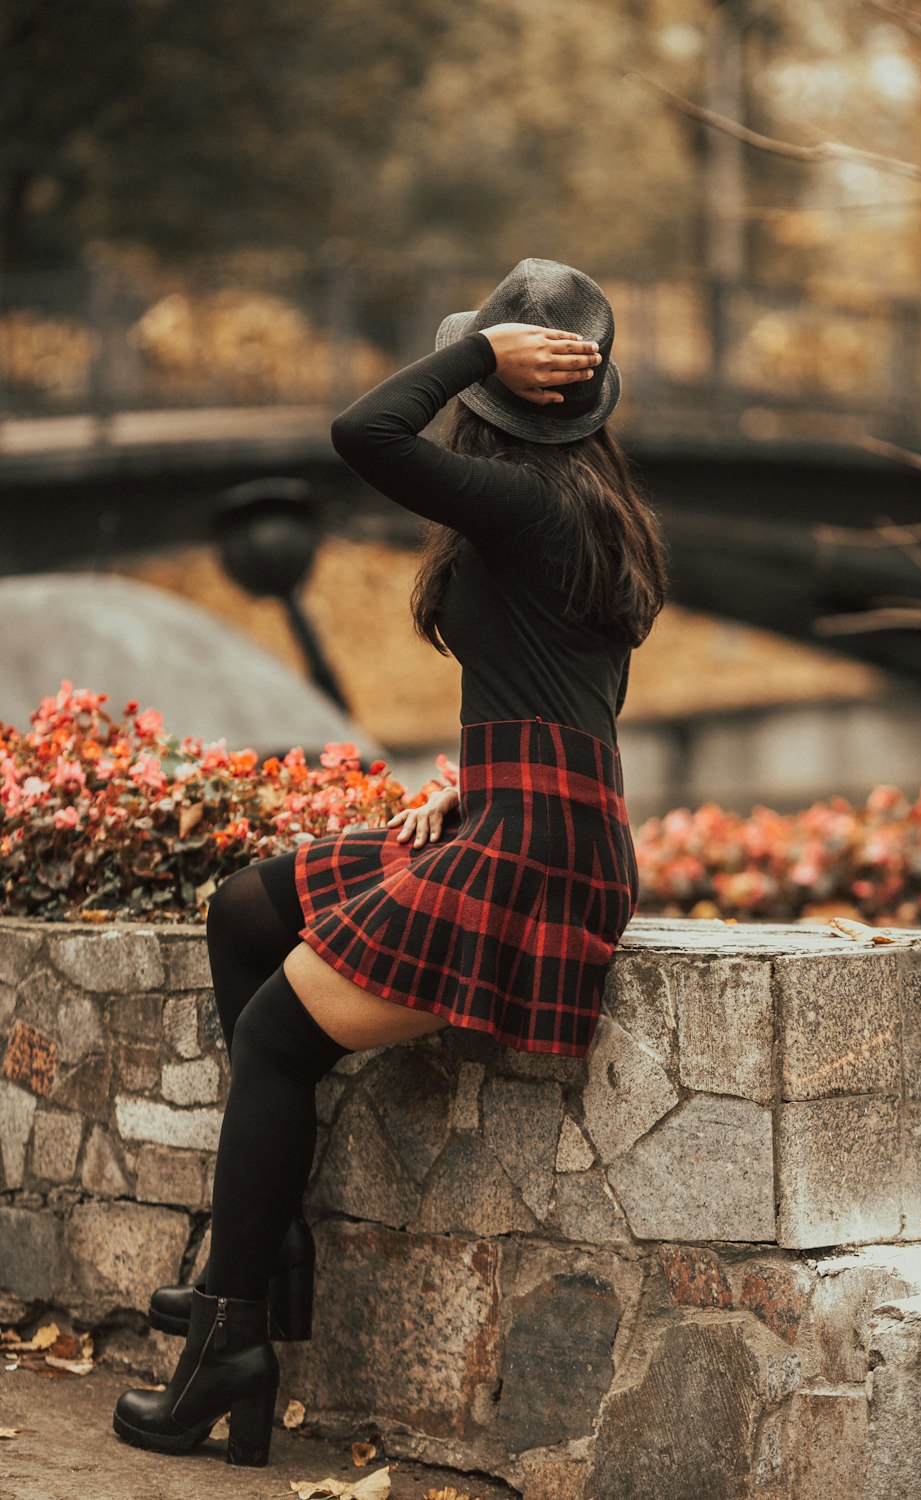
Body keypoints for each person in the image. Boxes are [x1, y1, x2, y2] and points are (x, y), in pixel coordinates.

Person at [112, 258, 668, 1466]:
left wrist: (474, 350)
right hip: (520, 811)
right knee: (245, 913)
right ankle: (262, 1254)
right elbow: (582, 698)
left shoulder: (528, 505)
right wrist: (471, 776)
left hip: (536, 847)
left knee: (272, 1036)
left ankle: (230, 1340)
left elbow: (362, 430)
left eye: (490, 365)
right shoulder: (575, 508)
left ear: (512, 389)